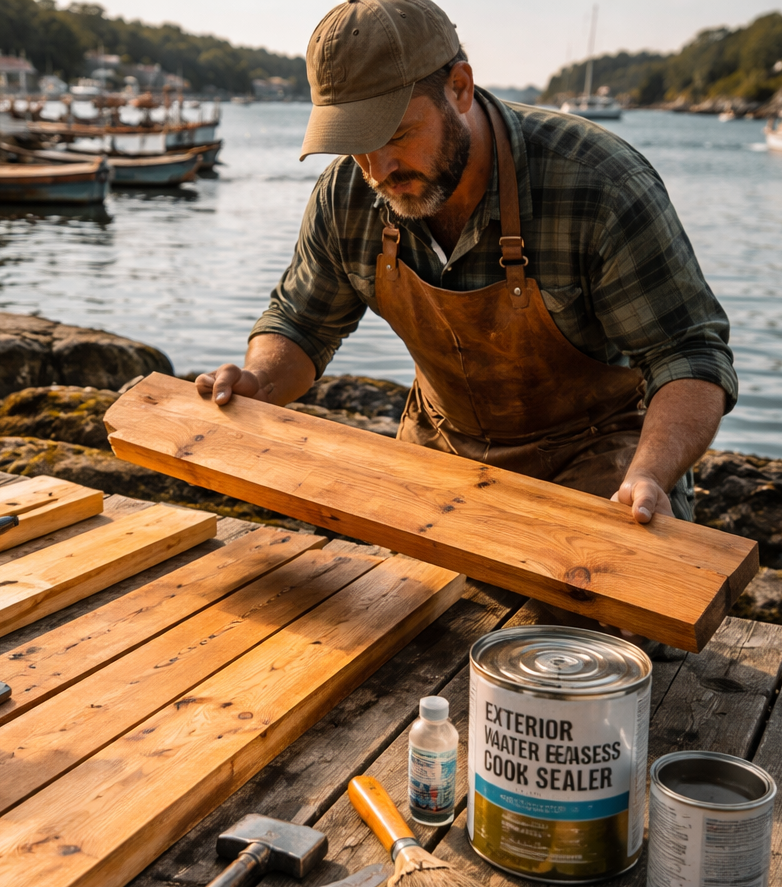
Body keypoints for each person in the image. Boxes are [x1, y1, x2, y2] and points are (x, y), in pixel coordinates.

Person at [196, 0, 737, 524]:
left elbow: (688, 354)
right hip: (439, 450)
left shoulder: (601, 185)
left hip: (601, 461)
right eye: (354, 143)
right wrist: (258, 382)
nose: (378, 168)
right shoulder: (345, 194)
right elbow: (301, 322)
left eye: (396, 134)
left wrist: (649, 475)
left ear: (459, 87)